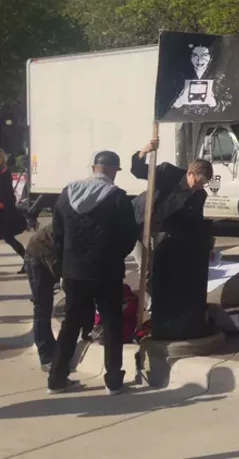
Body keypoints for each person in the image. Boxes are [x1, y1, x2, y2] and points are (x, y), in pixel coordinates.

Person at [48, 151, 139, 395]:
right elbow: (130, 235)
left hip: (74, 270)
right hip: (106, 270)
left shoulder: (67, 194)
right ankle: (113, 380)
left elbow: (56, 234)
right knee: (111, 323)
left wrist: (66, 261)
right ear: (114, 171)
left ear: (92, 167)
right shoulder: (117, 197)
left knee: (71, 323)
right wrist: (115, 255)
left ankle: (56, 377)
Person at [130, 138, 214, 281]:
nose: (198, 187)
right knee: (146, 267)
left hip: (163, 230)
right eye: (197, 182)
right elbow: (138, 171)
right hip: (140, 222)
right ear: (189, 174)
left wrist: (208, 245)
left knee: (162, 266)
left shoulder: (199, 195)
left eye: (203, 184)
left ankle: (158, 300)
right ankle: (149, 302)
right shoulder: (167, 172)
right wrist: (145, 150)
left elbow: (196, 222)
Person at [24, 223, 60, 370]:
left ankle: (51, 346)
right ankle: (46, 357)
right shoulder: (62, 233)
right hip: (37, 256)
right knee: (42, 307)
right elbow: (59, 269)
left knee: (45, 305)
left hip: (49, 253)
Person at [0, 149, 28, 265]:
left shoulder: (4, 173)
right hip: (4, 209)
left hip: (4, 211)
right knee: (9, 238)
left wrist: (2, 204)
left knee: (9, 238)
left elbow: (7, 193)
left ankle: (28, 261)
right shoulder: (4, 171)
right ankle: (28, 262)